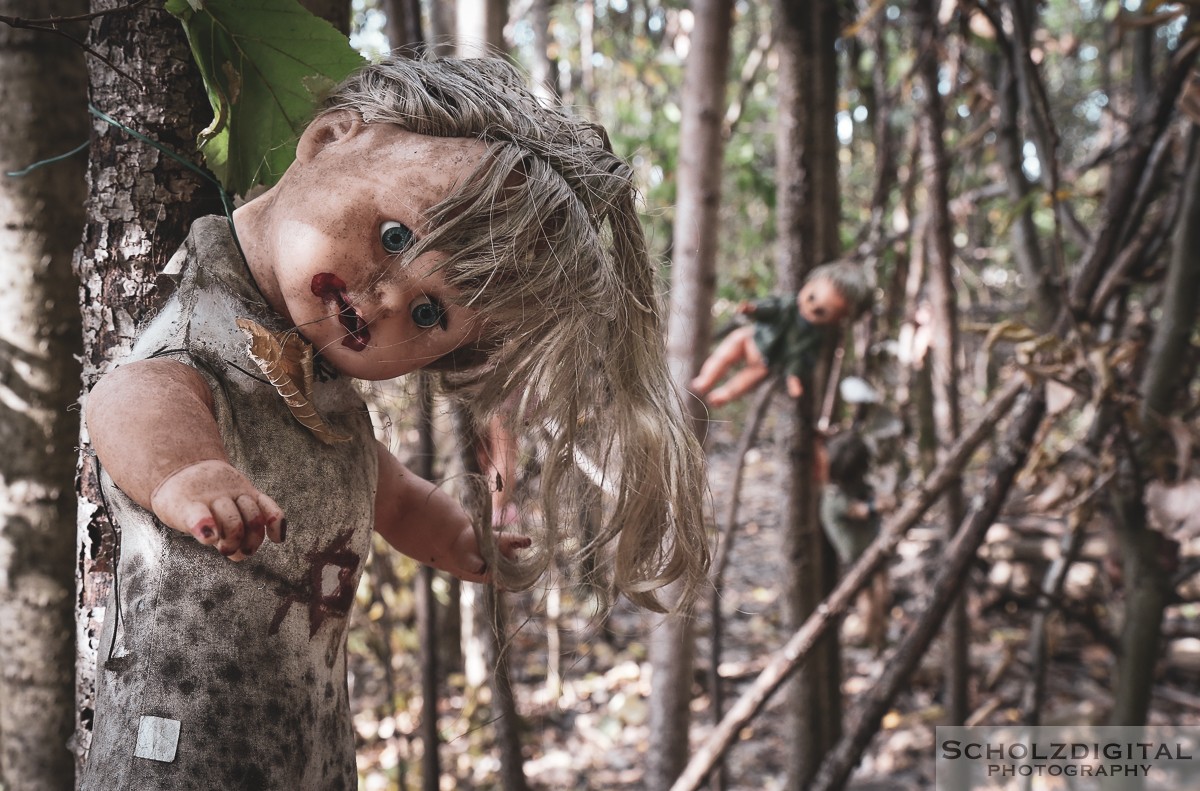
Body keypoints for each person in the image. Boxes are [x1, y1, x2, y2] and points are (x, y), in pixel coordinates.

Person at [81, 57, 708, 789]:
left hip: (304, 733)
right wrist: (187, 473)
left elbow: (391, 493)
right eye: (396, 236)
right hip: (180, 730)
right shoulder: (208, 320)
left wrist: (456, 539)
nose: (383, 298)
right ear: (329, 139)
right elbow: (129, 397)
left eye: (429, 313)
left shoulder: (326, 386)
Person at [690, 262, 872, 407]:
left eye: (821, 312)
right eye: (811, 297)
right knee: (729, 348)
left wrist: (794, 377)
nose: (812, 307)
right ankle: (706, 379)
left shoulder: (813, 337)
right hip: (753, 339)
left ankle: (724, 394)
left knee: (751, 377)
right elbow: (771, 308)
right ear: (808, 284)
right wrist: (754, 309)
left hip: (766, 361)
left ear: (840, 317)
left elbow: (800, 358)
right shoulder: (788, 305)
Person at [819, 432, 890, 647]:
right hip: (858, 555)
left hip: (871, 549)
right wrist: (879, 505)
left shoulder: (858, 488)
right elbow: (859, 510)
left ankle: (879, 636)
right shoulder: (835, 498)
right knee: (868, 598)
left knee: (881, 596)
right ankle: (870, 639)